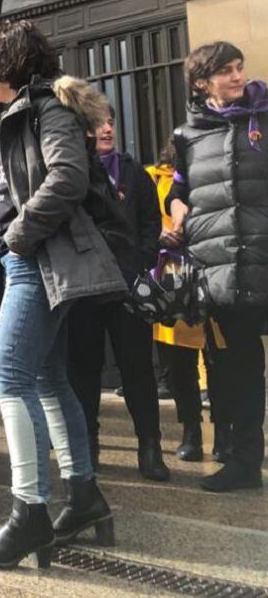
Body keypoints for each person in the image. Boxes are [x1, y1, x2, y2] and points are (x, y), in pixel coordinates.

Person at [0, 20, 125, 568]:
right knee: (47, 379)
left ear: (5, 70)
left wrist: (16, 236)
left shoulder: (45, 108)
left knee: (7, 372)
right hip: (33, 260)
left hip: (38, 260)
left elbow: (67, 178)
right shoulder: (28, 110)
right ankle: (83, 498)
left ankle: (29, 513)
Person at [166, 41, 267, 492]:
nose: (236, 76)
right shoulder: (188, 134)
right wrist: (177, 205)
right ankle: (245, 462)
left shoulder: (263, 116)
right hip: (222, 267)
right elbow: (179, 188)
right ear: (201, 82)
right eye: (225, 70)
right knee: (239, 368)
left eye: (238, 67)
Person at [65, 108, 169, 481]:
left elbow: (150, 224)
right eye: (97, 123)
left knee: (138, 368)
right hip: (84, 288)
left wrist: (137, 265)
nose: (107, 128)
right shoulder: (72, 169)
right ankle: (88, 445)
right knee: (84, 370)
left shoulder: (134, 172)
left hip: (127, 287)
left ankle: (151, 447)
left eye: (110, 121)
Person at [147, 143, 223, 463]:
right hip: (173, 280)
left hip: (215, 270)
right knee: (180, 364)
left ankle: (224, 433)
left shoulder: (218, 173)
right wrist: (162, 229)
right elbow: (140, 214)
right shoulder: (152, 178)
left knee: (220, 359)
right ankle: (191, 431)